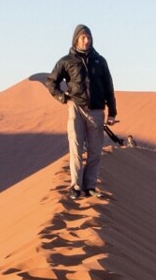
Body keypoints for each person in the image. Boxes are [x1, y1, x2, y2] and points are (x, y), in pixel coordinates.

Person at [47, 24, 118, 199]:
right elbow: (51, 82)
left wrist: (112, 112)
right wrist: (64, 98)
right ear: (76, 39)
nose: (86, 41)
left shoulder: (100, 61)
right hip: (76, 108)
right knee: (76, 147)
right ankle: (76, 185)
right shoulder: (66, 61)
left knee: (95, 151)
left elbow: (109, 87)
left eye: (88, 37)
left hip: (96, 110)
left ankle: (90, 186)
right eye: (83, 37)